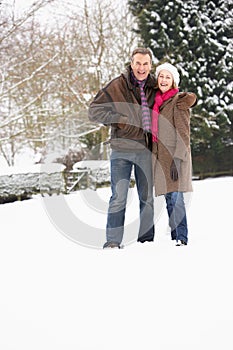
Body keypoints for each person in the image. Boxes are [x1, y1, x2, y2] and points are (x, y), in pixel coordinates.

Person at [88, 47, 156, 249]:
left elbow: (170, 98)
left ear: (150, 65)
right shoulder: (118, 84)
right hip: (121, 149)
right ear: (131, 63)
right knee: (119, 197)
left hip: (145, 148)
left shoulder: (154, 86)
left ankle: (146, 240)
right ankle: (113, 241)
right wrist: (118, 120)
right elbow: (94, 110)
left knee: (147, 197)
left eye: (145, 64)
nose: (141, 68)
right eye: (138, 63)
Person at [151, 62, 196, 246]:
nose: (163, 80)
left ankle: (181, 237)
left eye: (167, 77)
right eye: (161, 76)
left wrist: (177, 159)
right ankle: (175, 236)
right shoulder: (157, 103)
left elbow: (184, 134)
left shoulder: (177, 102)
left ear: (173, 81)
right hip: (162, 159)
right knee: (170, 199)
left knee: (177, 199)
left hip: (176, 158)